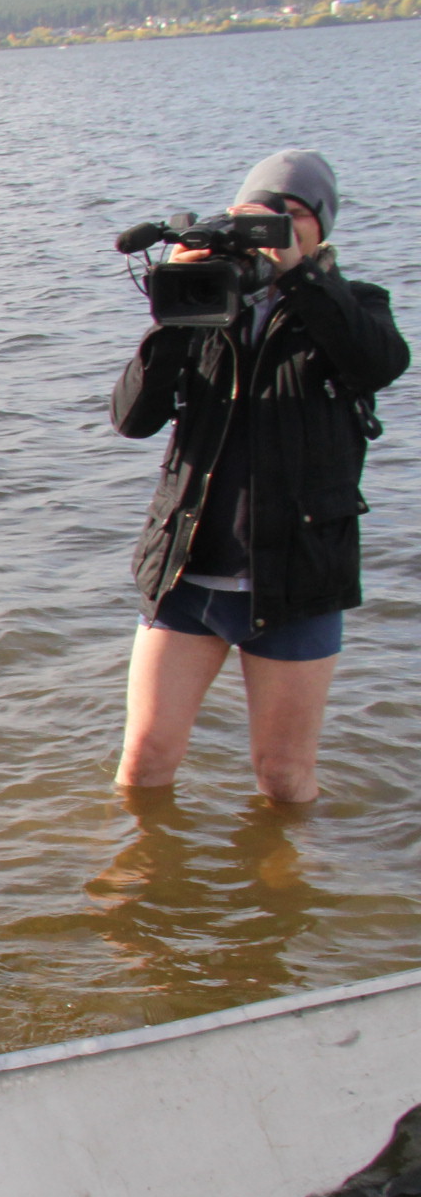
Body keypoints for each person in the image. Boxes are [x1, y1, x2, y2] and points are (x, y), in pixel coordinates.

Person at [110, 148, 407, 803]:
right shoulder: (207, 310)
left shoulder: (351, 306)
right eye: (260, 214)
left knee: (283, 775)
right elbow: (133, 419)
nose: (275, 228)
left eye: (294, 215)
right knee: (143, 763)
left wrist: (297, 277)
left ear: (321, 228)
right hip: (187, 576)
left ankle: (287, 898)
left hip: (297, 582)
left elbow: (379, 362)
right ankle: (142, 895)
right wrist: (175, 318)